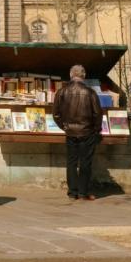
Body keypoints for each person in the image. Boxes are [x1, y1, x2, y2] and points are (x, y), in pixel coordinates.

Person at [53, 64, 103, 201]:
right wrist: (95, 130)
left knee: (71, 162)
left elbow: (56, 114)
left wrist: (65, 127)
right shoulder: (90, 92)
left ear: (71, 75)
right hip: (87, 132)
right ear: (84, 76)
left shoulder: (62, 92)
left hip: (70, 133)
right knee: (85, 163)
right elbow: (97, 114)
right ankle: (83, 192)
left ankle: (72, 192)